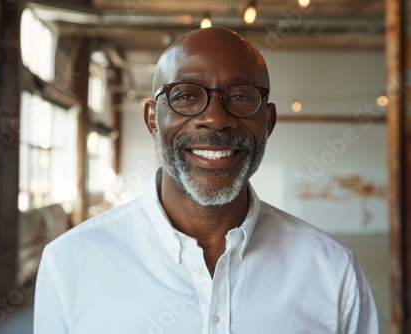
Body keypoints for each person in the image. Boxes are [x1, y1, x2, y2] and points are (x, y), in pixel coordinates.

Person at [34, 26, 378, 333]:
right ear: (153, 119)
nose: (215, 119)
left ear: (268, 123)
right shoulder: (70, 263)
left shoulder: (333, 272)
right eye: (185, 95)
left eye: (241, 97)